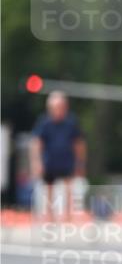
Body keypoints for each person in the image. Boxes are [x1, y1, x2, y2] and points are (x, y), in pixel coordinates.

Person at [30, 91, 86, 221]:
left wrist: (80, 163)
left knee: (68, 189)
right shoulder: (44, 123)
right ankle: (50, 217)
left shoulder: (71, 122)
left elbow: (79, 144)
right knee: (49, 190)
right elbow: (37, 143)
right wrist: (37, 162)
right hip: (50, 162)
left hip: (66, 161)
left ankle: (68, 216)